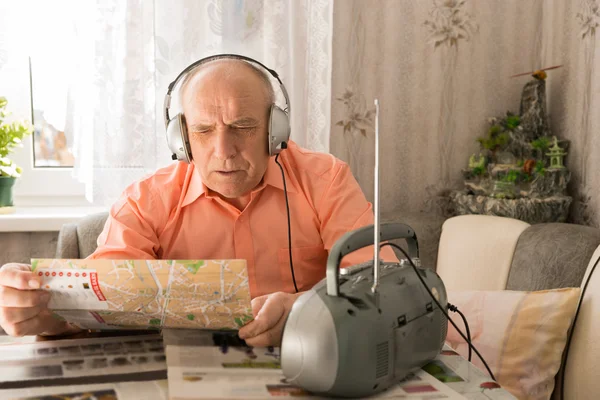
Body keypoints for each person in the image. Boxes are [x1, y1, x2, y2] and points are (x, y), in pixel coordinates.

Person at [0, 55, 395, 346]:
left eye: (243, 126)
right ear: (182, 140)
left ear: (276, 130)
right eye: (204, 130)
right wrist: (44, 312)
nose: (224, 150)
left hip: (309, 357)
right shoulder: (146, 200)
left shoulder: (325, 181)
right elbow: (103, 301)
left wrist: (306, 309)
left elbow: (383, 284)